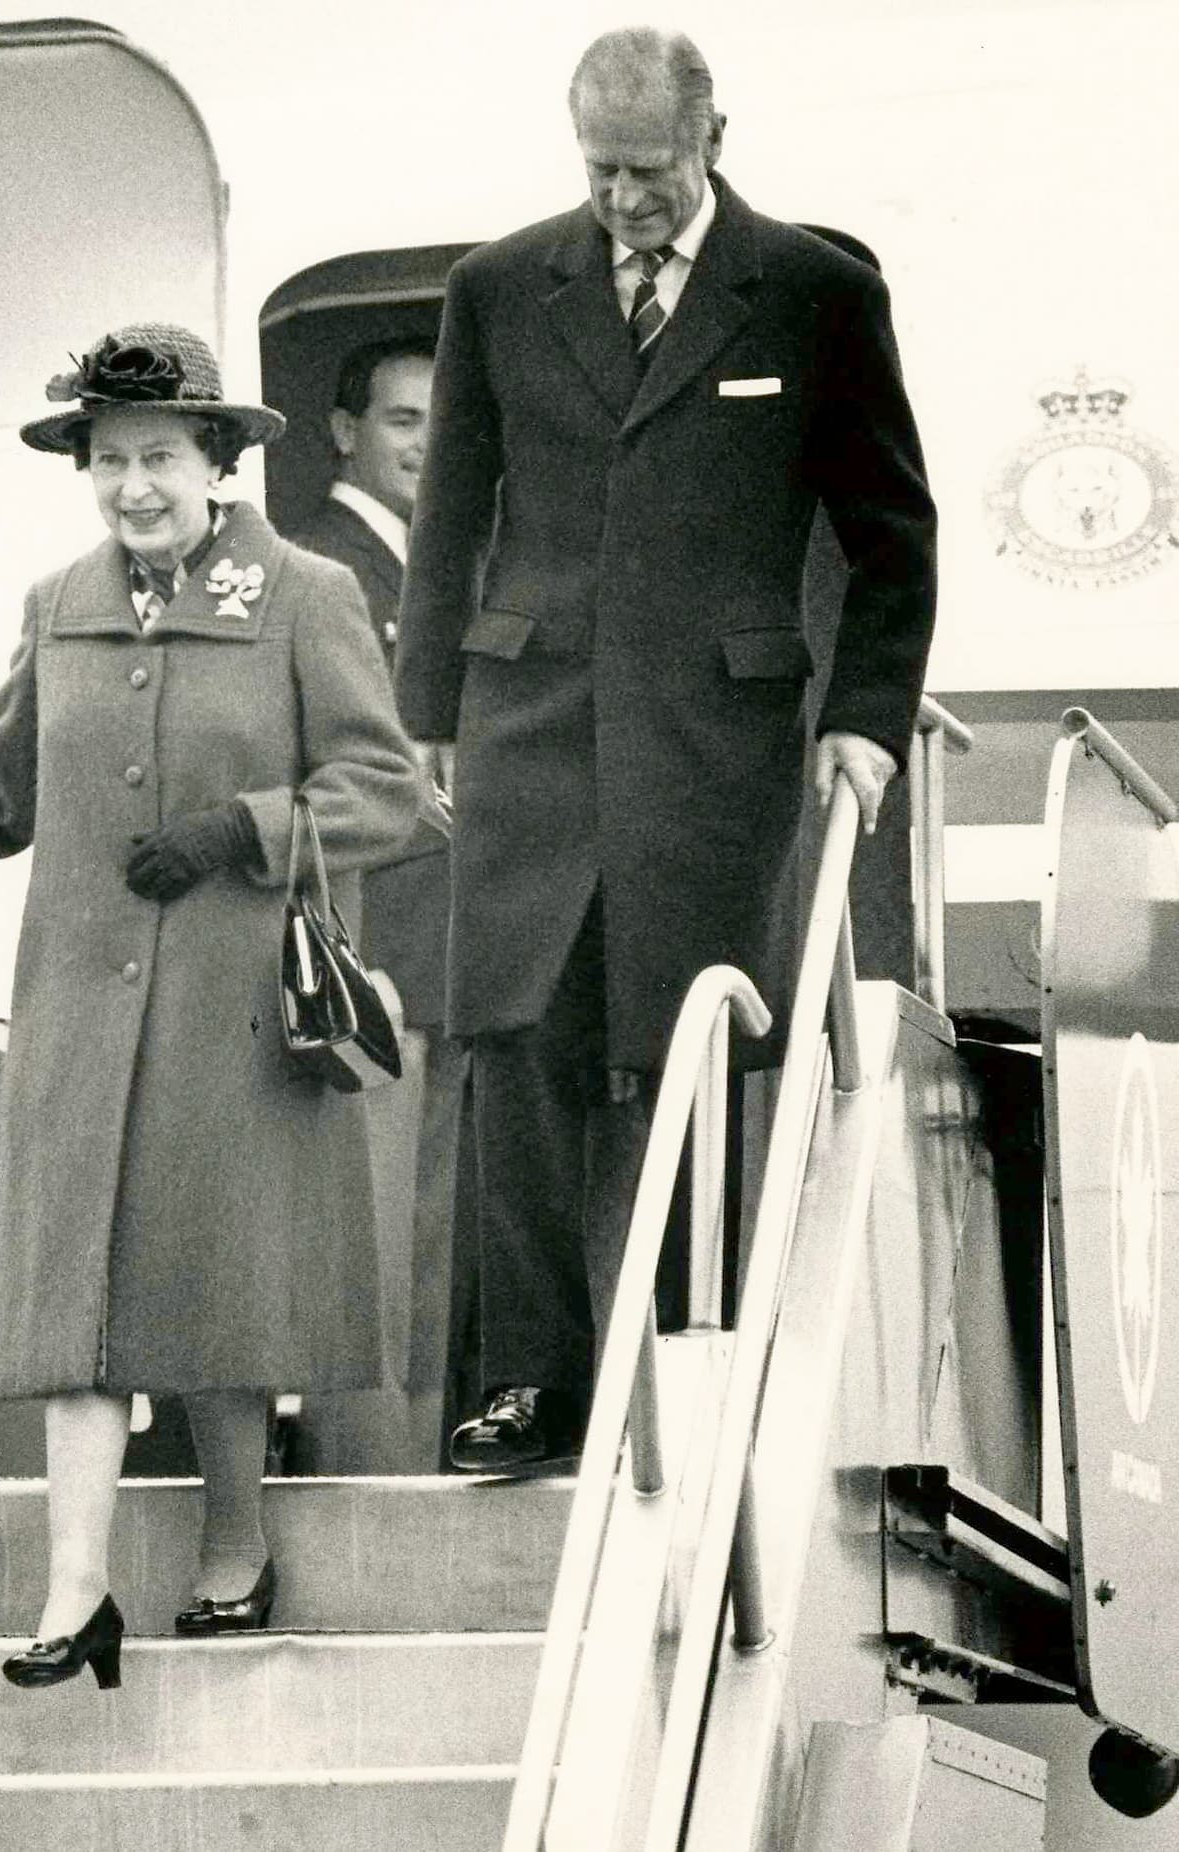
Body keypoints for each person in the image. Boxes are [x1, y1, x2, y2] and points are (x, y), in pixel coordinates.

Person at [0, 323, 420, 1686]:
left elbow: (392, 794)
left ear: (219, 463)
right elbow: (3, 786)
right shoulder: (58, 599)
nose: (134, 486)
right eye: (109, 460)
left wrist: (242, 828)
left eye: (161, 458)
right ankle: (74, 1598)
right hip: (79, 1009)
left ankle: (236, 1552)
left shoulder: (302, 598)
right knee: (79, 1309)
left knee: (226, 1302)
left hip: (234, 1015)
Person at [395, 28, 937, 1477]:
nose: (626, 200)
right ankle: (526, 1387)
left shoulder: (816, 294)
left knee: (697, 1041)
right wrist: (428, 716)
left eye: (650, 171)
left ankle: (692, 1364)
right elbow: (450, 509)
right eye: (600, 171)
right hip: (527, 730)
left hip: (713, 740)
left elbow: (896, 538)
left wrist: (866, 724)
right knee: (515, 1049)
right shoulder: (501, 287)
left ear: (712, 137)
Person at [288, 337, 471, 1471]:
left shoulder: (434, 560)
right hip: (369, 938)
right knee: (369, 1233)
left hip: (447, 938)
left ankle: (413, 1458)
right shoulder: (320, 562)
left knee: (430, 1231)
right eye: (402, 420)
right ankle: (369, 1476)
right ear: (344, 432)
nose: (424, 443)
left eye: (438, 423)